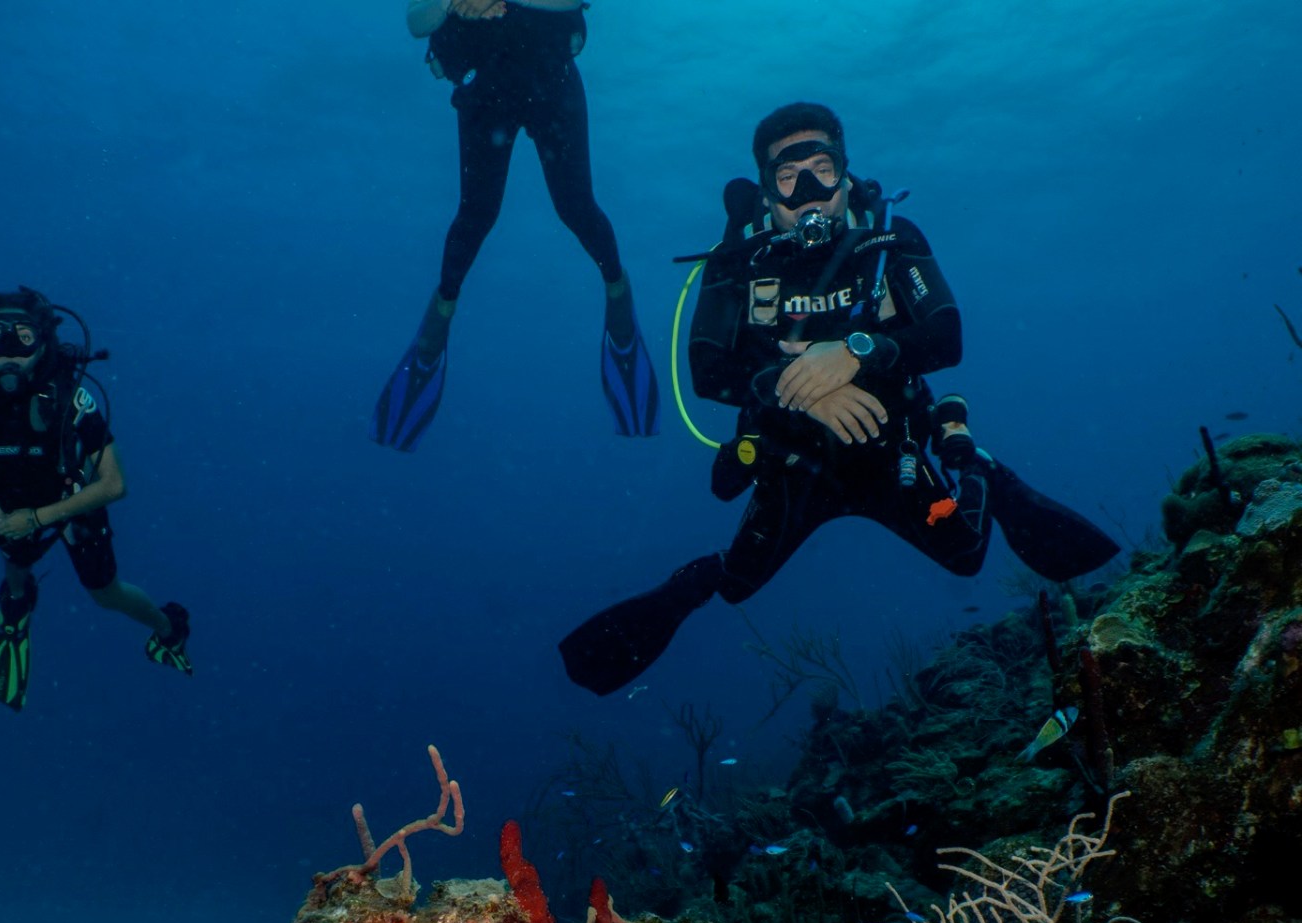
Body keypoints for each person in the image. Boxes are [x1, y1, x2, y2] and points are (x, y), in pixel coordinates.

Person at [559, 102, 1119, 695]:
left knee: (965, 556)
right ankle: (680, 590)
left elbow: (946, 335)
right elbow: (706, 370)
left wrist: (854, 351)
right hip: (795, 463)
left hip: (892, 451)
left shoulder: (890, 239)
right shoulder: (739, 261)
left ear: (846, 176)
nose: (808, 192)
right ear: (766, 191)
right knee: (737, 583)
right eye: (787, 177)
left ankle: (980, 471)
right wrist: (801, 391)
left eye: (822, 170)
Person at [371, 0, 659, 452]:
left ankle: (618, 295)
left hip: (551, 79)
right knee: (476, 215)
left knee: (576, 208)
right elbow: (416, 20)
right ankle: (437, 324)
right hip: (486, 87)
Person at [0, 287, 192, 711]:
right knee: (15, 567)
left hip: (72, 501)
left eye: (24, 338)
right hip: (6, 503)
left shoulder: (70, 396)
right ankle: (17, 602)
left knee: (105, 593)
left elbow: (114, 484)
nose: (10, 354)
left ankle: (170, 628)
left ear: (43, 343)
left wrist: (36, 518)